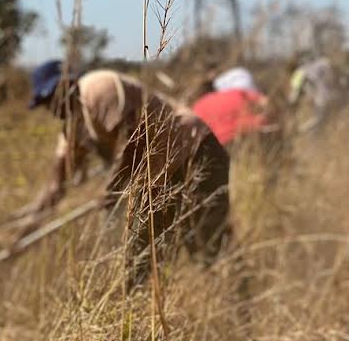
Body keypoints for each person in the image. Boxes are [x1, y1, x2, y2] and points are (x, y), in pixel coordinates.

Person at [20, 59, 231, 288]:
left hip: (195, 152)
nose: (52, 108)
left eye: (51, 98)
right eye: (45, 103)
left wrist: (110, 192)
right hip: (159, 179)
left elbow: (133, 143)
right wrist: (28, 228)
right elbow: (56, 184)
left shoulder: (97, 88)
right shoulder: (73, 128)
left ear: (67, 85)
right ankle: (138, 309)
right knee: (141, 258)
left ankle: (237, 303)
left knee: (206, 245)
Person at [190, 66, 270, 148]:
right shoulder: (242, 94)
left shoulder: (200, 103)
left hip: (210, 149)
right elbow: (266, 104)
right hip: (245, 142)